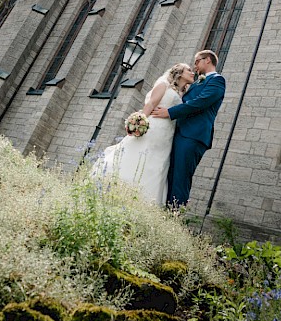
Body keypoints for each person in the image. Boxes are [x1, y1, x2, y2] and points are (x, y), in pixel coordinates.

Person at [90, 62, 194, 205]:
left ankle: (144, 202)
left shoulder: (182, 92)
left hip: (166, 136)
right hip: (154, 128)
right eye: (189, 70)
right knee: (137, 156)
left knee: (157, 164)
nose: (192, 72)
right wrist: (139, 122)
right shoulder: (164, 84)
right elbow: (151, 104)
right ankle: (115, 189)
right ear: (179, 72)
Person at [152, 49, 226, 208]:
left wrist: (170, 112)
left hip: (193, 136)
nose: (195, 66)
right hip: (179, 133)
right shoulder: (197, 82)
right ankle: (165, 211)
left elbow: (200, 102)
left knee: (181, 177)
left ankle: (174, 217)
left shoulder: (217, 80)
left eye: (197, 61)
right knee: (170, 175)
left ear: (208, 60)